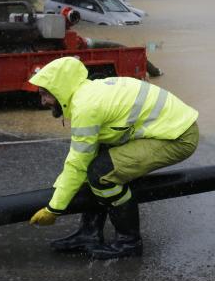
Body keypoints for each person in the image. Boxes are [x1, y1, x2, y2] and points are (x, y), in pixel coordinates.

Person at [27, 56, 199, 259]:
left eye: (45, 94)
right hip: (167, 129)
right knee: (95, 165)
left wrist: (54, 208)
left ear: (60, 89)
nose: (43, 101)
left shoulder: (86, 107)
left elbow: (77, 164)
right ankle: (89, 234)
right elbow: (82, 160)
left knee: (101, 174)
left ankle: (129, 243)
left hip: (177, 137)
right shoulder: (88, 91)